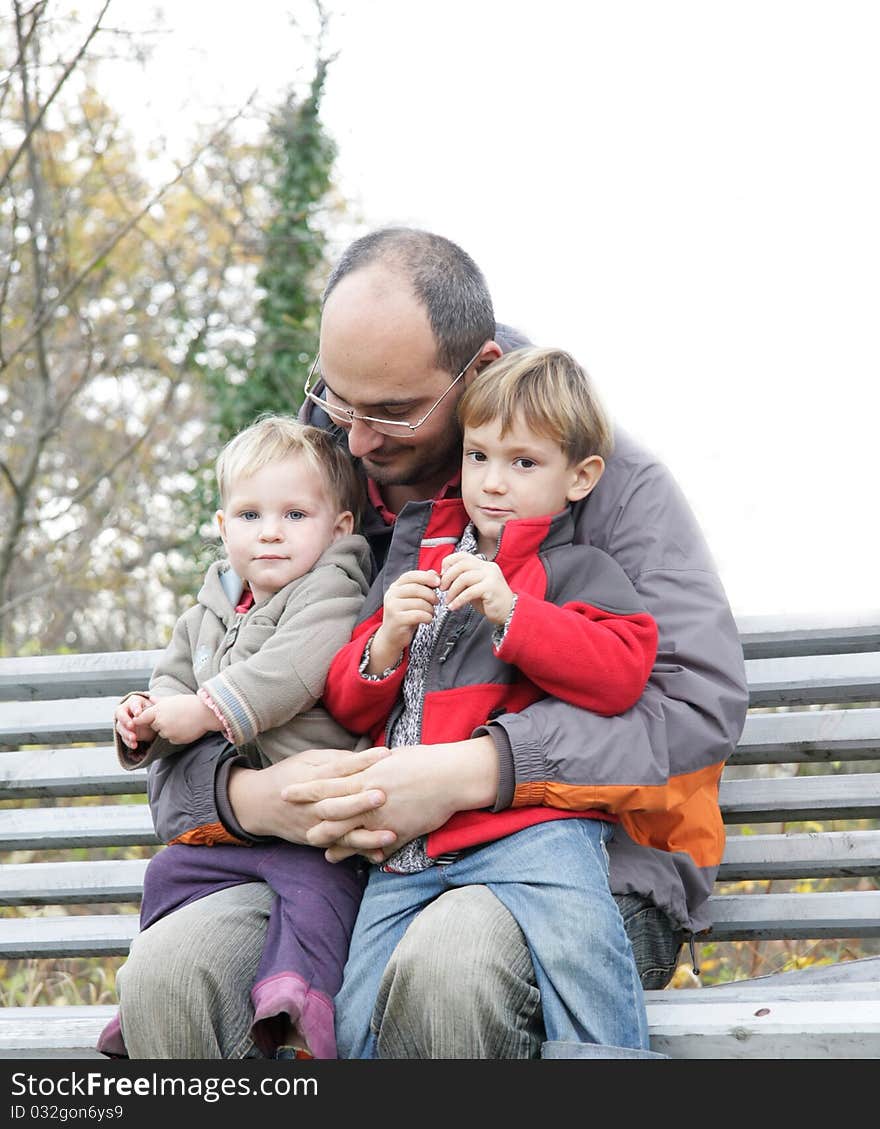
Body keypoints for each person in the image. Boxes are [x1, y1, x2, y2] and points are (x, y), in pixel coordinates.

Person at [111, 227, 749, 1060]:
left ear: (478, 367)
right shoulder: (306, 481)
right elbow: (213, 684)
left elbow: (695, 709)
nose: (360, 441)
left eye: (394, 412)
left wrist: (473, 771)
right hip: (341, 863)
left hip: (585, 859)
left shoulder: (606, 485)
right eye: (338, 399)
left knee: (448, 967)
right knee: (172, 975)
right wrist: (255, 799)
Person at [322, 346, 661, 1057]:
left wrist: (516, 615)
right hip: (408, 848)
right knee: (356, 1011)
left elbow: (622, 671)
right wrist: (384, 642)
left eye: (523, 462)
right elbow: (349, 702)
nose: (494, 482)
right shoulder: (419, 556)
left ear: (580, 477)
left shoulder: (578, 568)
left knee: (583, 962)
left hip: (534, 832)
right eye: (478, 456)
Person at [98, 415, 374, 1060]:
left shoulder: (331, 589)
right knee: (169, 871)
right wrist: (147, 718)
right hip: (238, 828)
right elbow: (170, 682)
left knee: (316, 892)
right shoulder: (206, 612)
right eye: (249, 515)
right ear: (223, 528)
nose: (271, 531)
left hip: (314, 820)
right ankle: (138, 1007)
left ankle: (298, 999)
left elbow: (292, 671)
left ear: (339, 528)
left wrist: (204, 710)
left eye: (295, 515)